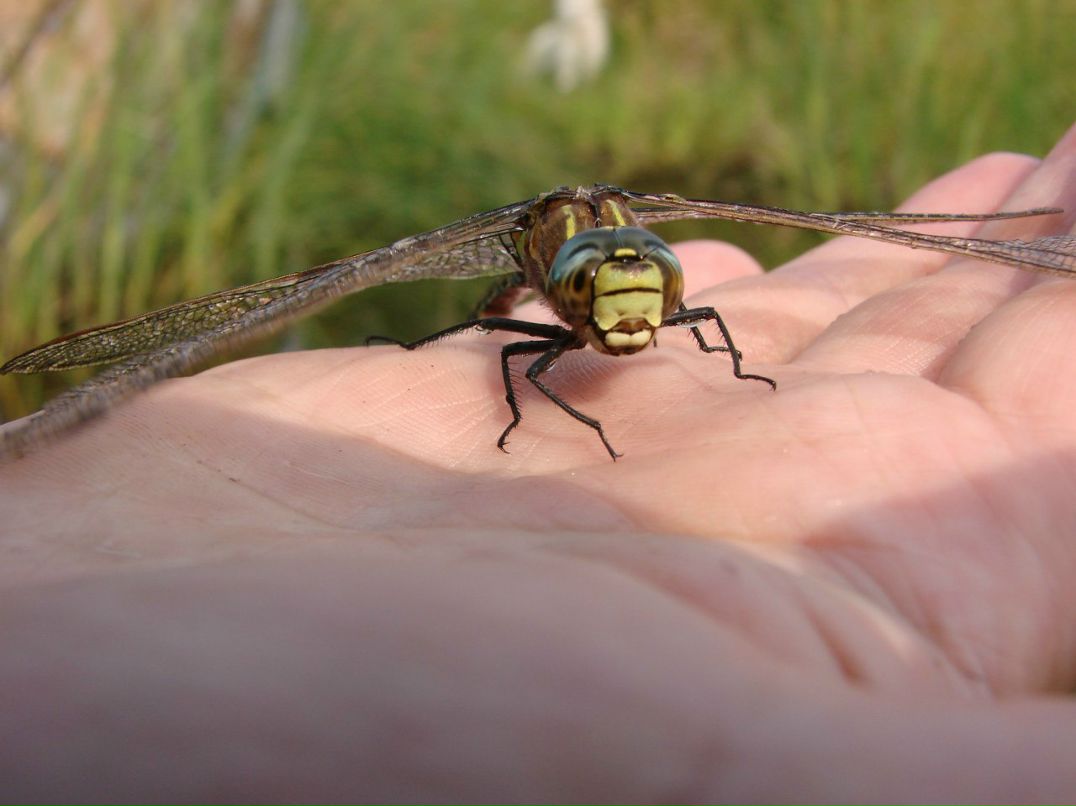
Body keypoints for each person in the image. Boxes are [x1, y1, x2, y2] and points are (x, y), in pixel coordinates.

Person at [1, 123, 1074, 803]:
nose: (624, 303)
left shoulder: (641, 269)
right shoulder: (531, 277)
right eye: (598, 283)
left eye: (642, 278)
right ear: (554, 278)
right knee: (461, 334)